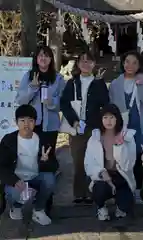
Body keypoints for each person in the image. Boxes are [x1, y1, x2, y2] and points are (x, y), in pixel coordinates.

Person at [60, 51, 109, 204]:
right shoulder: (72, 83)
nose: (85, 64)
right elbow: (64, 104)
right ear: (78, 64)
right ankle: (79, 193)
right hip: (76, 128)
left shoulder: (98, 83)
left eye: (89, 61)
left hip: (93, 127)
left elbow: (105, 104)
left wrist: (100, 125)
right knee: (78, 161)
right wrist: (74, 121)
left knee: (94, 160)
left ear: (94, 64)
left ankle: (91, 191)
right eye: (82, 61)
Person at [0, 105, 56, 226]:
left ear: (35, 122)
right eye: (22, 120)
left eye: (30, 120)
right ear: (16, 122)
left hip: (36, 177)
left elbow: (55, 165)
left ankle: (39, 209)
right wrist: (14, 180)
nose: (26, 124)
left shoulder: (43, 139)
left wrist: (44, 161)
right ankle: (16, 207)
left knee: (50, 179)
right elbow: (1, 166)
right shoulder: (8, 140)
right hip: (17, 179)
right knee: (12, 193)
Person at [109, 51, 143, 202]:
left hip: (140, 126)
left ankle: (139, 190)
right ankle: (125, 190)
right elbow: (112, 107)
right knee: (124, 158)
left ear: (139, 65)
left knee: (141, 158)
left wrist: (141, 87)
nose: (130, 65)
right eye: (127, 62)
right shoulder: (115, 84)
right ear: (123, 63)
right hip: (123, 127)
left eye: (134, 62)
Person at [15, 45, 65, 176]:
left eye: (47, 56)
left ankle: (48, 188)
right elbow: (20, 101)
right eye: (40, 55)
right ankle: (32, 187)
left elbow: (63, 103)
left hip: (50, 126)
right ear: (36, 59)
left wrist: (51, 102)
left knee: (48, 156)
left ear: (51, 59)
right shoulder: (28, 76)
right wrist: (32, 88)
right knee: (32, 156)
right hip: (31, 125)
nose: (43, 58)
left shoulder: (58, 78)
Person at [84, 104, 136, 221]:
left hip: (121, 177)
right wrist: (101, 172)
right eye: (105, 118)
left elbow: (128, 165)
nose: (108, 121)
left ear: (117, 119)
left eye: (112, 117)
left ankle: (121, 204)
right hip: (103, 177)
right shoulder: (94, 138)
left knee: (126, 206)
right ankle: (101, 207)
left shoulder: (127, 137)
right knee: (99, 189)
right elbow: (88, 164)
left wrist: (120, 146)